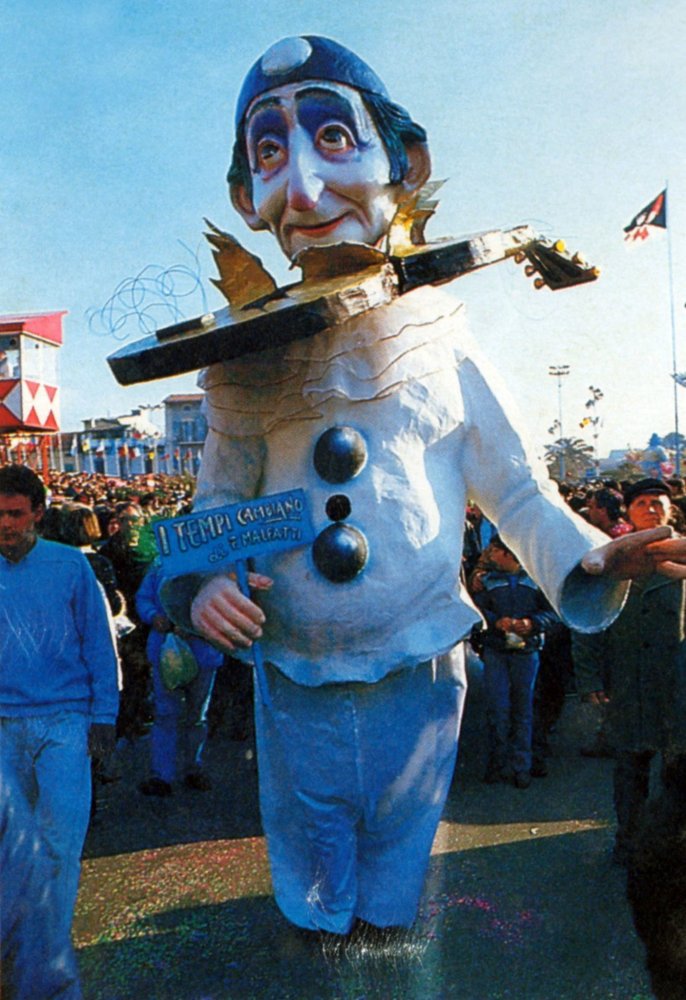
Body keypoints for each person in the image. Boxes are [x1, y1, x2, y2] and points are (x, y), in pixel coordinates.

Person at [161, 36, 686, 937]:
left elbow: (519, 495)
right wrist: (205, 582)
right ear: (247, 199)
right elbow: (212, 512)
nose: (305, 190)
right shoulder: (242, 371)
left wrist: (596, 556)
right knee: (313, 883)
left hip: (420, 666)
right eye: (271, 153)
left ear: (405, 162)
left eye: (333, 137)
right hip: (295, 679)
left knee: (396, 889)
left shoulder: (446, 341)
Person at [0, 464, 119, 942]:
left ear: (38, 514)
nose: (5, 524)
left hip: (66, 724)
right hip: (4, 725)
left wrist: (104, 717)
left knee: (60, 843)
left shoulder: (71, 566)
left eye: (14, 513)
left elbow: (98, 645)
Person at [572, 478, 686, 866]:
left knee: (677, 773)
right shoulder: (614, 559)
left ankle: (670, 849)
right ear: (629, 511)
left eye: (659, 503)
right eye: (643, 503)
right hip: (630, 685)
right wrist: (590, 680)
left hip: (676, 686)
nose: (652, 508)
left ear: (670, 511)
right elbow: (589, 623)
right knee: (630, 772)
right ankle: (630, 842)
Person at [472, 536, 559, 788]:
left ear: (509, 554)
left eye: (495, 550)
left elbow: (553, 613)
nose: (489, 554)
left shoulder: (536, 581)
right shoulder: (487, 582)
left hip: (527, 652)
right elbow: (476, 612)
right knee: (498, 708)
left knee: (524, 709)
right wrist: (494, 621)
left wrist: (532, 624)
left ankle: (522, 765)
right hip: (496, 652)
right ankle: (498, 762)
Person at [135, 562, 223, 796]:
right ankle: (161, 775)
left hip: (203, 653)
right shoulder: (158, 566)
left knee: (196, 716)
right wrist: (154, 617)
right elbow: (143, 598)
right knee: (165, 713)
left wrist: (196, 626)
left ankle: (193, 768)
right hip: (166, 652)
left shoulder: (211, 564)